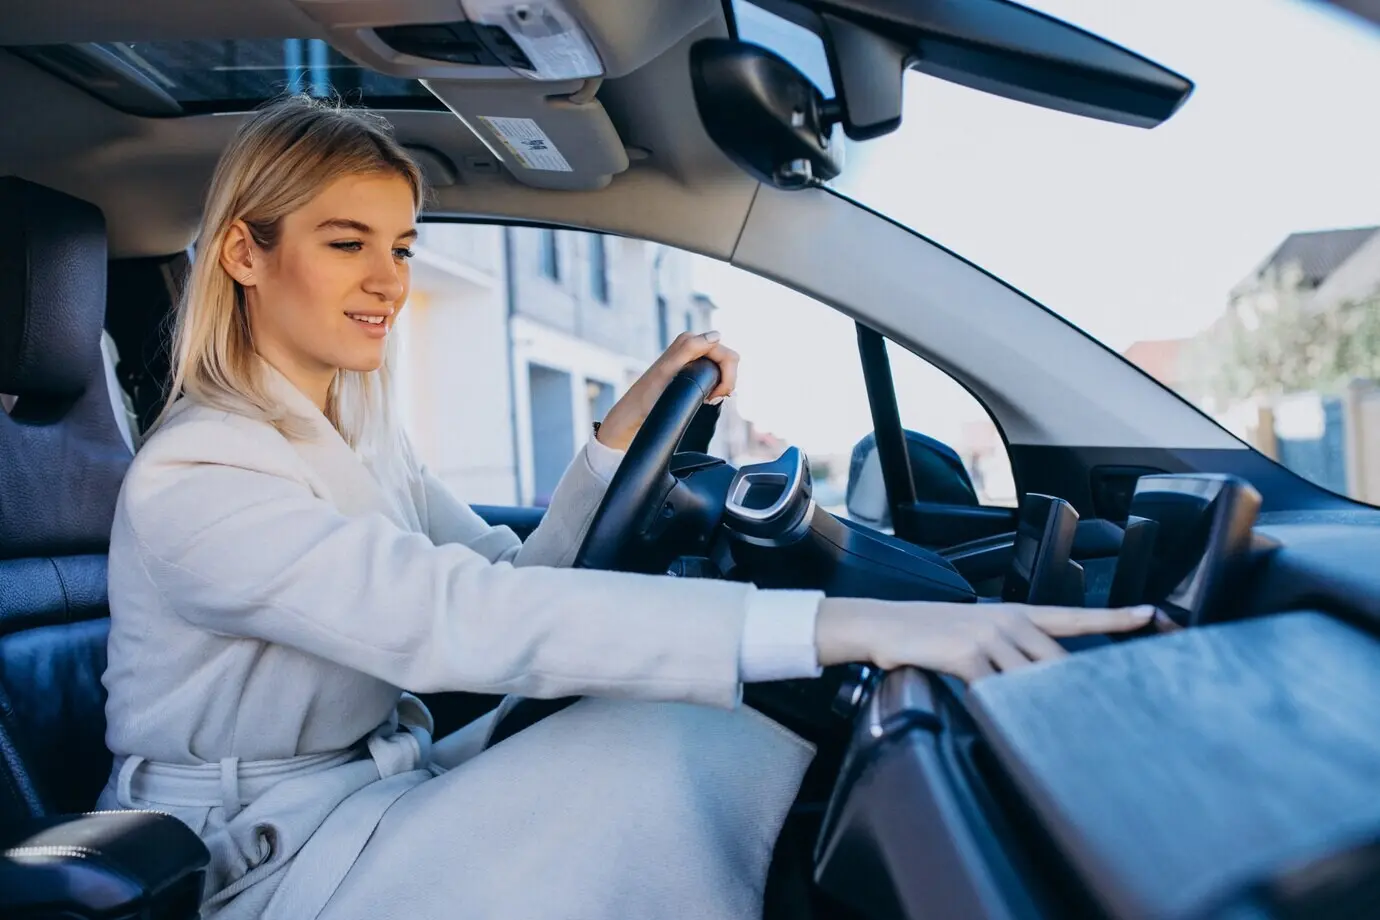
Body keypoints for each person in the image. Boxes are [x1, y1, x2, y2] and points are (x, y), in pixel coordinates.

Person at [97, 95, 1153, 920]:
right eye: (345, 242)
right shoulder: (196, 477)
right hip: (251, 867)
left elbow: (512, 580)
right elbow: (448, 620)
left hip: (371, 791)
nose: (388, 280)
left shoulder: (358, 438)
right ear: (244, 252)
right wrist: (852, 624)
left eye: (403, 245)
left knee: (709, 726)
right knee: (686, 745)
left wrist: (615, 441)